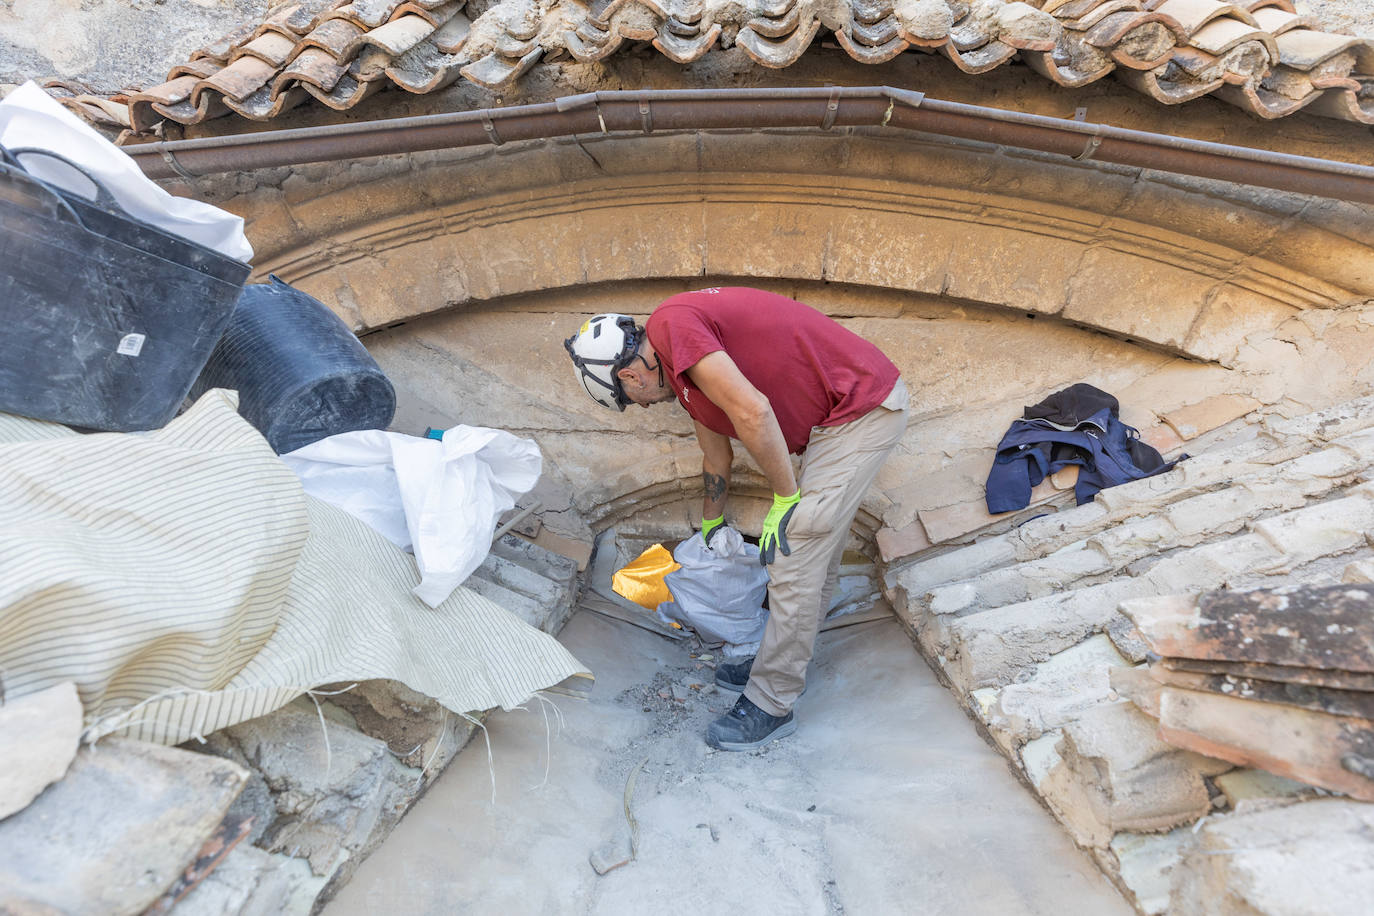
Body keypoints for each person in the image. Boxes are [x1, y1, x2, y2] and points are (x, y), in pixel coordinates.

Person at [564, 287, 908, 750]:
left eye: (631, 398)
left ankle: (771, 701)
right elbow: (716, 456)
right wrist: (710, 526)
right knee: (813, 553)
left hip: (861, 410)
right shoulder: (687, 376)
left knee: (795, 546)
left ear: (629, 375)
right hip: (838, 419)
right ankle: (781, 659)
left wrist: (787, 498)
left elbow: (752, 410)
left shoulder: (672, 324)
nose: (643, 406)